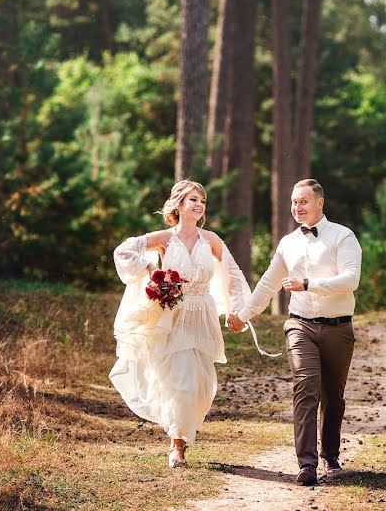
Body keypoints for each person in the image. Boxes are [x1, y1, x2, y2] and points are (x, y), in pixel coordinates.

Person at [227, 179, 362, 486]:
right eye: (293, 202)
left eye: (303, 201)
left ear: (320, 203)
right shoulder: (288, 243)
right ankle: (307, 464)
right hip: (299, 324)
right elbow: (268, 283)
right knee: (306, 386)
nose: (296, 208)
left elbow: (351, 279)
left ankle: (330, 456)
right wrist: (243, 316)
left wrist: (309, 285)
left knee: (333, 396)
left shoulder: (343, 236)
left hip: (339, 328)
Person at [109, 179, 251, 469]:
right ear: (179, 205)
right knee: (181, 381)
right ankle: (178, 447)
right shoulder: (165, 238)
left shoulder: (211, 240)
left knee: (201, 384)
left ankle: (183, 430)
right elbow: (123, 251)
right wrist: (151, 269)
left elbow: (233, 274)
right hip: (173, 314)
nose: (199, 205)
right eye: (193, 200)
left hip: (203, 315)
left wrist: (237, 310)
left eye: (202, 201)